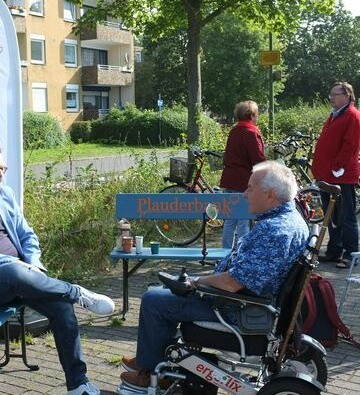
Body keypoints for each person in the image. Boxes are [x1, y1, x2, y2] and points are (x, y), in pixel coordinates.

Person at [0, 142, 115, 395]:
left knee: (62, 308)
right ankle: (76, 292)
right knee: (14, 273)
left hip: (22, 278)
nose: (0, 173)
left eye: (3, 168)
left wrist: (33, 265)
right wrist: (18, 266)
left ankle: (78, 384)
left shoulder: (4, 195)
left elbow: (27, 235)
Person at [119, 161, 309, 389]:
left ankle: (150, 372)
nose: (244, 194)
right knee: (163, 293)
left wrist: (196, 282)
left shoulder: (275, 231)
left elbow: (232, 283)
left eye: (249, 188)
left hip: (236, 309)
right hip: (245, 303)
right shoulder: (290, 219)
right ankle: (153, 359)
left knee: (154, 300)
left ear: (269, 195)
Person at [311, 82, 360, 269]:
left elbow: (350, 146)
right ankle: (335, 250)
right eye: (331, 95)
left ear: (347, 95)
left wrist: (335, 166)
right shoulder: (335, 115)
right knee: (331, 216)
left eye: (334, 94)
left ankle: (351, 255)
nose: (331, 98)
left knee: (347, 217)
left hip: (341, 176)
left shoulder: (352, 116)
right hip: (328, 176)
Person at [219, 100, 267, 249]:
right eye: (257, 114)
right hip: (243, 181)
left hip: (229, 179)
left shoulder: (234, 131)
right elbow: (258, 159)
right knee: (243, 220)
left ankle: (225, 252)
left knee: (230, 219)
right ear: (252, 115)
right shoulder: (251, 133)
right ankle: (241, 252)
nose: (257, 116)